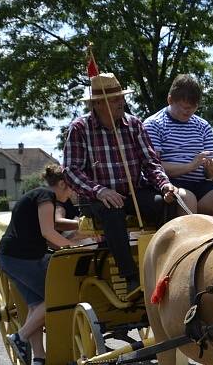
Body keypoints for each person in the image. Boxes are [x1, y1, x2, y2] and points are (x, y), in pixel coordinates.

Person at [64, 72, 177, 295]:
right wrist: (99, 191)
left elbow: (151, 163)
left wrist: (165, 185)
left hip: (133, 191)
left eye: (121, 97)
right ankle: (130, 277)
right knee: (113, 209)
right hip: (97, 198)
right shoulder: (79, 129)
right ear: (98, 103)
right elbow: (70, 171)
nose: (121, 102)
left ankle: (165, 265)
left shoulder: (134, 124)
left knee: (167, 204)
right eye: (115, 99)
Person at [0, 164, 79, 365]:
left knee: (36, 305)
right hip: (22, 258)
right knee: (56, 298)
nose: (73, 192)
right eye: (71, 187)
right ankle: (20, 336)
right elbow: (48, 233)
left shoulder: (39, 196)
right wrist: (73, 248)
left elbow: (50, 233)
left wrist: (78, 234)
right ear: (61, 183)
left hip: (10, 258)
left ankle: (39, 359)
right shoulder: (45, 195)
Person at [143, 74, 213, 225]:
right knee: (187, 198)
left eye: (194, 107)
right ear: (170, 100)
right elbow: (153, 166)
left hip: (200, 185)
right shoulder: (153, 124)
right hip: (169, 185)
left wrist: (212, 167)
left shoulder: (203, 126)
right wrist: (191, 165)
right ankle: (189, 247)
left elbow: (211, 176)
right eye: (184, 107)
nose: (189, 111)